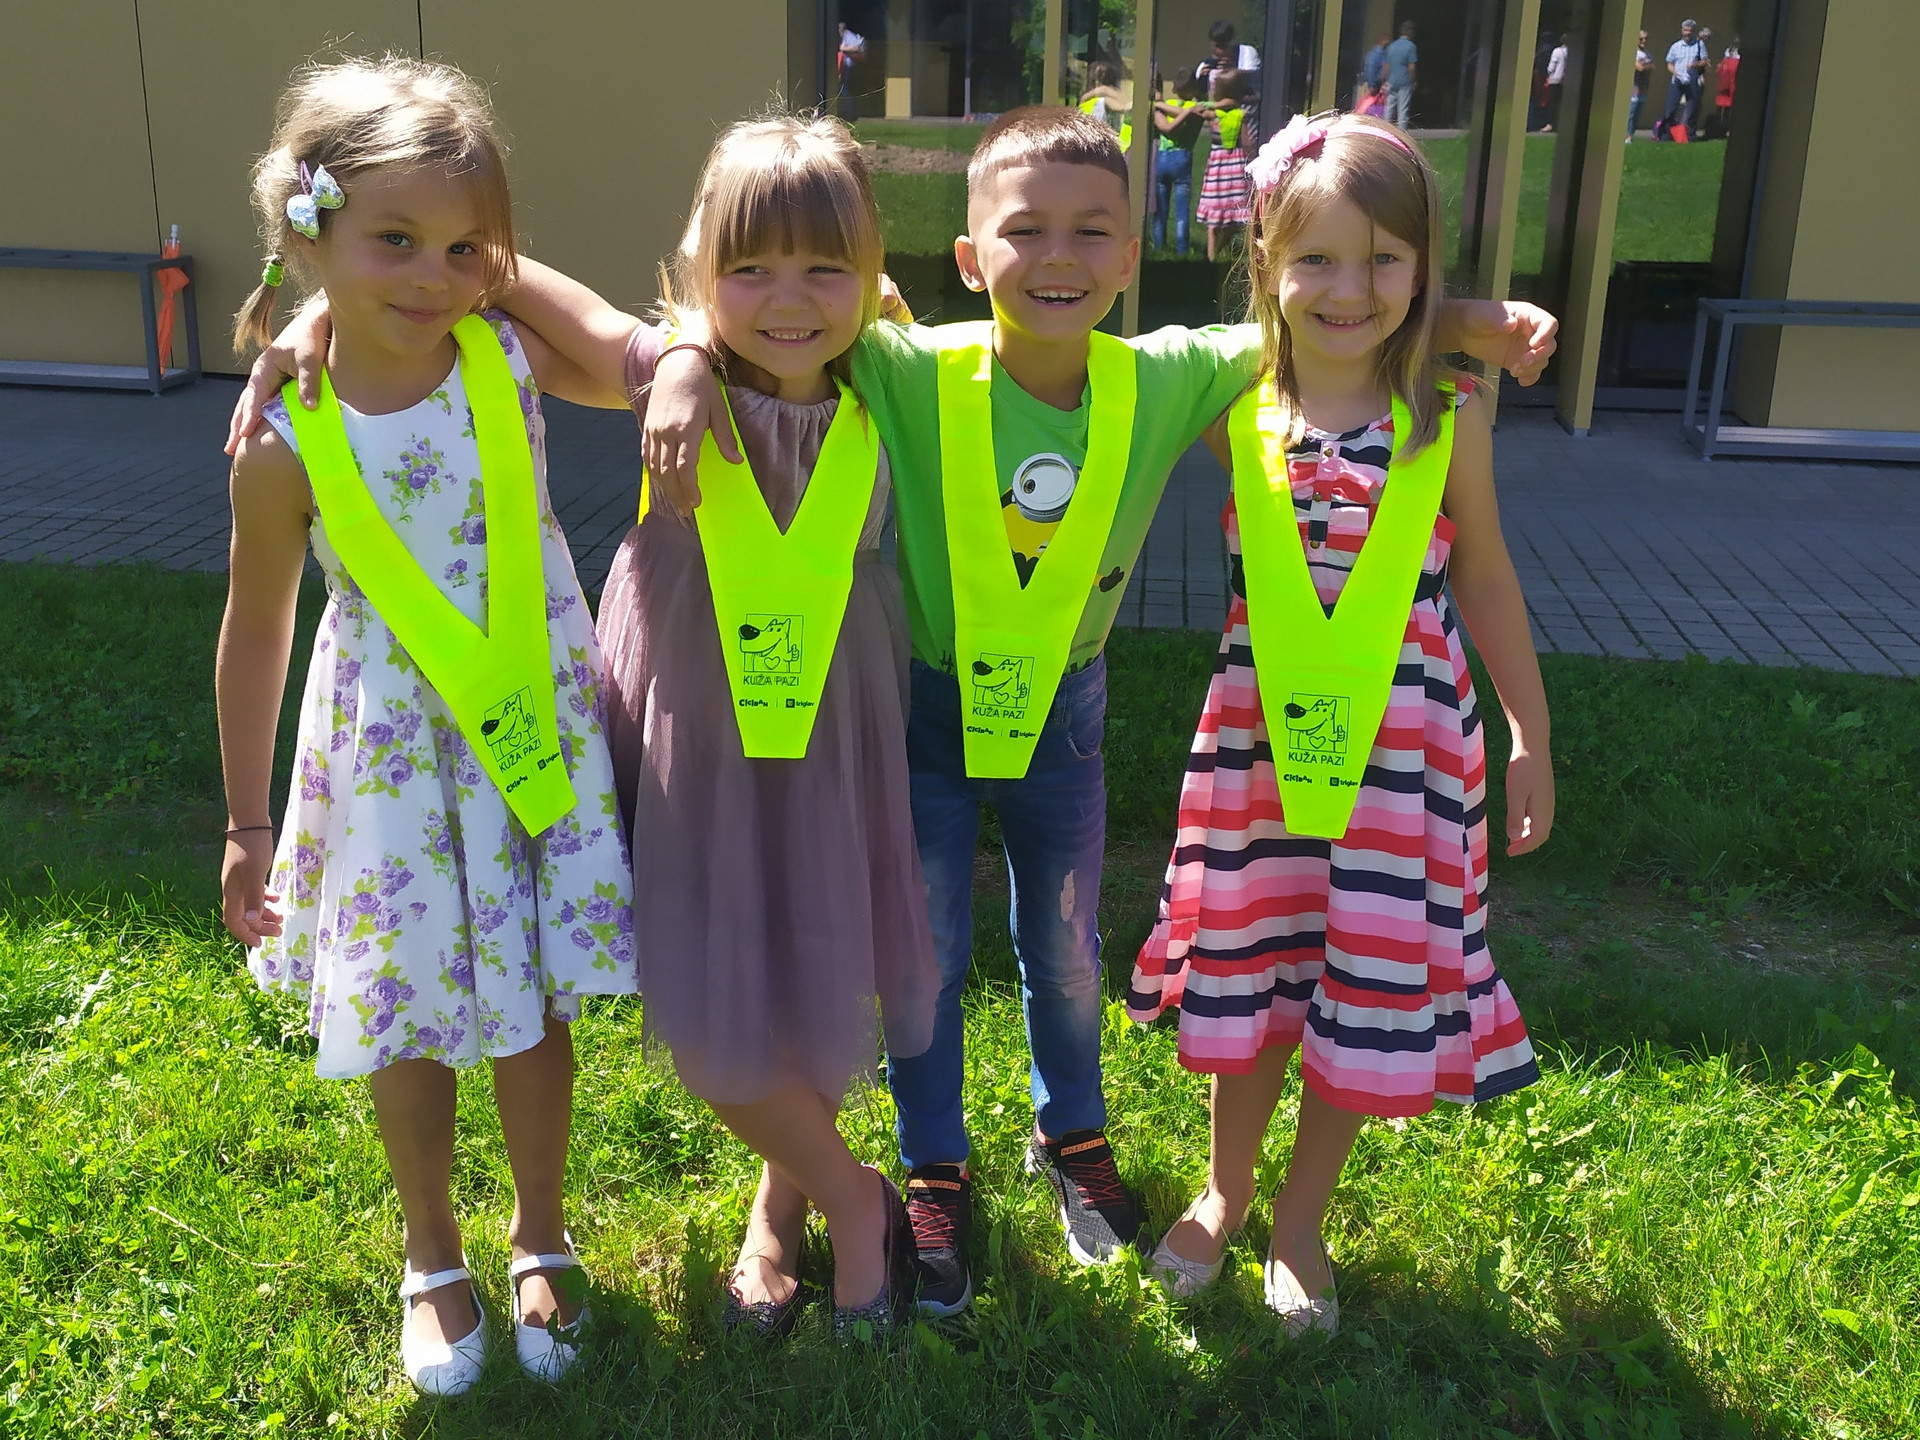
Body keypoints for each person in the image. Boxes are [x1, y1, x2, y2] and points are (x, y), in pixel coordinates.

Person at [640, 106, 1562, 1319]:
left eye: (1093, 233)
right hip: (921, 713)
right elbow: (758, 319)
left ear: (1135, 256)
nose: (1061, 258)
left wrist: (1465, 318)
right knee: (919, 959)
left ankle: (1073, 1135)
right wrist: (684, 360)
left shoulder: (1175, 374)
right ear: (968, 260)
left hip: (1067, 721)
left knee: (1065, 953)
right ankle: (935, 1166)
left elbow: (1319, 316)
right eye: (1025, 231)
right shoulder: (900, 363)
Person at [216, 57, 636, 1396]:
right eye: (392, 240)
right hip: (393, 752)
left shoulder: (505, 354)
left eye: (464, 246)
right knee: (405, 1009)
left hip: (526, 724)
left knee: (527, 996)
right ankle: (431, 1244)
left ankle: (541, 1227)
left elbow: (629, 358)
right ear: (307, 227)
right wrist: (245, 820)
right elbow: (258, 629)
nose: (433, 274)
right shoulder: (286, 439)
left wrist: (478, 273)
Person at [1128, 112, 1552, 1332]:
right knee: (1259, 966)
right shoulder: (1233, 396)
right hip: (1259, 750)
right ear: (1263, 261)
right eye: (1315, 257)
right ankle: (1222, 1191)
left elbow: (1484, 577)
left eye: (1385, 261)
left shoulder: (1448, 408)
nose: (1350, 290)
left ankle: (1302, 1218)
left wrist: (1530, 735)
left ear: (1424, 268)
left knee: (1357, 972)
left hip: (1405, 755)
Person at [1196, 68, 1256, 262]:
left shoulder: (1213, 113)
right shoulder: (1242, 114)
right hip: (1236, 167)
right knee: (1234, 215)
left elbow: (1197, 108)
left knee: (1214, 220)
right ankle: (1220, 252)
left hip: (1218, 167)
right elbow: (1248, 143)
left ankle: (1212, 256)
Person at [1152, 68, 1205, 255]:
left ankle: (1159, 246)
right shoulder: (1198, 107)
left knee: (1160, 210)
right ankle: (1183, 249)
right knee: (1182, 210)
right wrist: (1189, 110)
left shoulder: (1164, 105)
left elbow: (1164, 124)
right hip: (1183, 157)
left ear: (1173, 88)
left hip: (1162, 159)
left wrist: (1159, 104)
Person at [1663, 18, 1709, 137]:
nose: (1688, 32)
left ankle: (1689, 135)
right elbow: (1669, 63)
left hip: (1692, 81)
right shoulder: (1675, 46)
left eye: (1690, 30)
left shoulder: (1699, 45)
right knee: (1670, 108)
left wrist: (1696, 64)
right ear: (1682, 31)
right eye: (1686, 30)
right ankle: (1666, 135)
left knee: (1691, 109)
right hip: (1677, 81)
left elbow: (1705, 61)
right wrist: (1674, 72)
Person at [1384, 21, 1418, 130]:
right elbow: (1411, 67)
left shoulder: (1392, 46)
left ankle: (1386, 130)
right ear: (1410, 32)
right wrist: (1414, 80)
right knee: (1403, 108)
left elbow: (1387, 65)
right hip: (1404, 81)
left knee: (1389, 107)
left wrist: (1385, 79)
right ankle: (1401, 133)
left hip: (1392, 80)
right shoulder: (1411, 46)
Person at [1710, 40, 1741, 140]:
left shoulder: (1731, 62)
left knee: (1727, 111)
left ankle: (1725, 130)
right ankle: (1720, 130)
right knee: (1722, 110)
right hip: (1725, 88)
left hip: (1730, 88)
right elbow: (1719, 71)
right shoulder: (1726, 62)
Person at [835, 21, 867, 117]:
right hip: (845, 66)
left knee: (845, 89)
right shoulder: (844, 37)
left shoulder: (849, 36)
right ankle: (847, 111)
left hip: (849, 66)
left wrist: (843, 49)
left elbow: (858, 47)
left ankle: (850, 113)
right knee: (844, 89)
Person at [1628, 30, 1652, 140]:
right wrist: (1646, 66)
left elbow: (1653, 67)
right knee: (1630, 114)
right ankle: (1627, 136)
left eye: (1646, 39)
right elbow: (1639, 68)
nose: (1644, 41)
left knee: (1637, 115)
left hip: (1643, 88)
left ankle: (1631, 136)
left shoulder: (1647, 53)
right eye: (1641, 39)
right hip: (1633, 89)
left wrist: (1645, 66)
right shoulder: (1633, 52)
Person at [1543, 34, 1569, 133]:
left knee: (1552, 103)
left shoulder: (1557, 51)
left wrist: (1548, 73)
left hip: (1554, 80)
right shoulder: (1573, 51)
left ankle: (1550, 124)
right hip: (1566, 81)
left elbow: (1551, 68)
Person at [1362, 33, 1389, 105]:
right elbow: (1371, 68)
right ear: (1382, 41)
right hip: (1376, 85)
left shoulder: (1381, 53)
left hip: (1378, 84)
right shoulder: (1377, 53)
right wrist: (1371, 85)